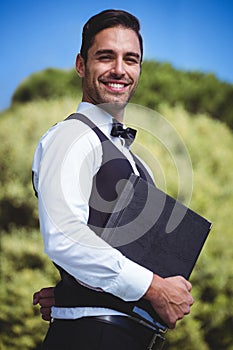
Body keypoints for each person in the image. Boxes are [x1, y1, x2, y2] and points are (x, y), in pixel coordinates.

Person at [32, 9, 194, 350]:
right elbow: (64, 238)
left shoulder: (133, 160)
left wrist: (69, 291)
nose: (119, 69)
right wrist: (156, 288)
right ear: (81, 65)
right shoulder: (72, 135)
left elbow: (112, 245)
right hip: (95, 337)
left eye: (130, 59)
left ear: (138, 69)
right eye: (105, 56)